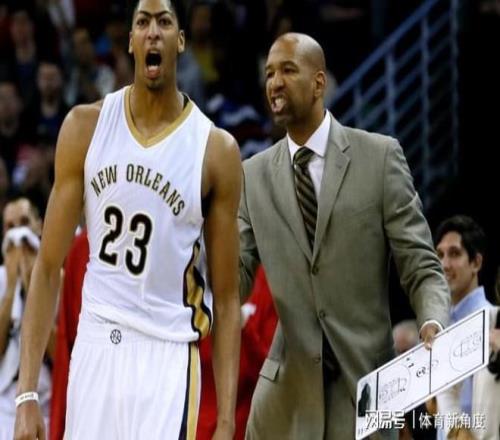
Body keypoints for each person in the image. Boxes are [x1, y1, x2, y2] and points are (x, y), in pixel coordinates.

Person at [14, 0, 241, 439]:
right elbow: (47, 266)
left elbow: (228, 299)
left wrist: (227, 422)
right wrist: (26, 396)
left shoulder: (215, 151)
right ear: (132, 41)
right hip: (96, 343)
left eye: (164, 21)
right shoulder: (85, 128)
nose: (153, 31)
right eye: (143, 22)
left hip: (168, 353)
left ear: (180, 41)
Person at [238, 32, 450, 439]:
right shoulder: (252, 175)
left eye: (287, 70)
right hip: (283, 404)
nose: (275, 83)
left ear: (319, 83)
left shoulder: (380, 157)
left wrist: (433, 323)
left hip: (367, 389)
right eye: (269, 73)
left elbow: (422, 266)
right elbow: (235, 277)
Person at [434, 215, 500, 440]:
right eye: (440, 255)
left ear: (476, 263)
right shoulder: (436, 328)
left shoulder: (492, 321)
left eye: (454, 253)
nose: (445, 264)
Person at [0, 197, 55, 440]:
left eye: (24, 222)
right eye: (10, 227)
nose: (18, 234)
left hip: (46, 402)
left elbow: (60, 354)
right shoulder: (0, 280)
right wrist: (12, 287)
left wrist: (32, 286)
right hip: (4, 403)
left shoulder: (58, 279)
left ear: (39, 226)